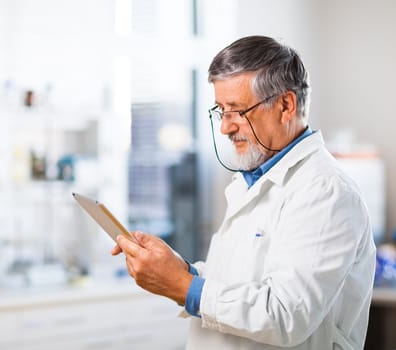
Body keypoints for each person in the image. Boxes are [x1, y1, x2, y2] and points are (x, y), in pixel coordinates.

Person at [112, 35, 376, 350]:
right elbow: (239, 282)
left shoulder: (325, 192)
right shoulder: (250, 183)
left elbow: (286, 315)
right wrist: (180, 270)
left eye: (237, 110)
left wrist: (183, 286)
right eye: (221, 110)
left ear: (285, 105)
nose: (225, 127)